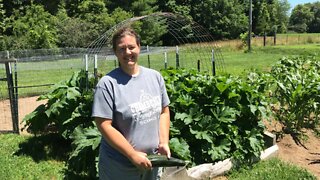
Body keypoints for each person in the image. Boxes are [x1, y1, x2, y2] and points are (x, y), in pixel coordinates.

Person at [91, 26, 171, 180]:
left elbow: (163, 111)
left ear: (139, 48)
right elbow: (104, 125)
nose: (127, 52)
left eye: (131, 47)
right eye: (121, 49)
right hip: (120, 167)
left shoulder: (155, 77)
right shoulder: (107, 84)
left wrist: (163, 142)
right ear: (115, 53)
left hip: (151, 162)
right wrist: (132, 154)